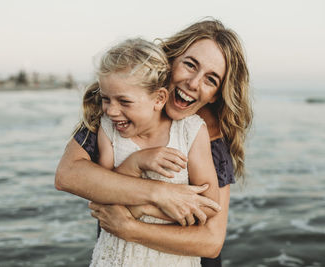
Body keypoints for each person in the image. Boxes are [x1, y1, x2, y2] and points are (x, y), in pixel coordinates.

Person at [55, 18, 252, 267]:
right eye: (190, 65)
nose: (193, 83)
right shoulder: (117, 114)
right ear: (171, 60)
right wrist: (160, 193)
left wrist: (131, 226)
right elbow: (68, 175)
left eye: (211, 80)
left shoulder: (206, 135)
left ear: (216, 95)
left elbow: (211, 240)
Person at [87, 37, 219, 266]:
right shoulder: (109, 129)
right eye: (106, 99)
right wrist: (135, 163)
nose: (111, 111)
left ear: (159, 99)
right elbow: (101, 197)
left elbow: (208, 206)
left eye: (124, 102)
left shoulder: (189, 132)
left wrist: (142, 209)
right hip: (116, 257)